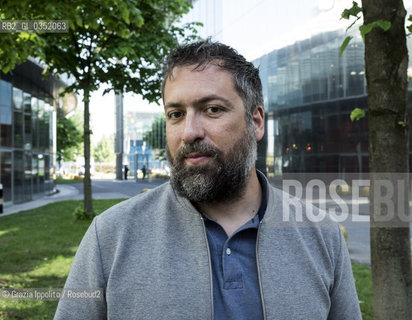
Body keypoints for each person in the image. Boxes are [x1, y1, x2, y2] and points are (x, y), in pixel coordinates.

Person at [54, 40, 361, 319]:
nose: (189, 132)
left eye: (212, 109)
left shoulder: (322, 235)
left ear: (255, 122)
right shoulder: (111, 237)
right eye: (175, 114)